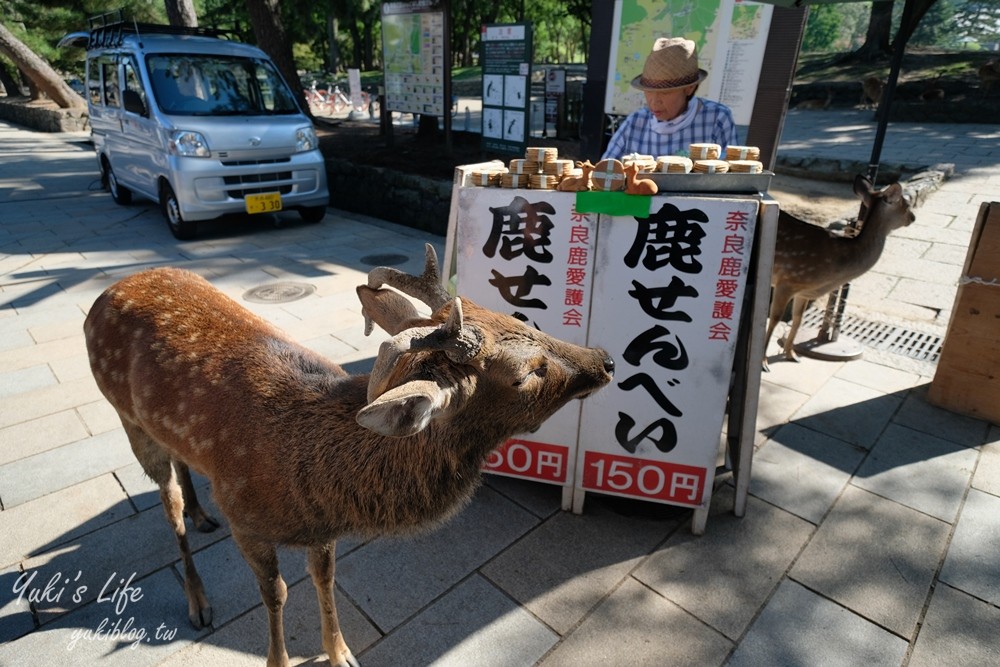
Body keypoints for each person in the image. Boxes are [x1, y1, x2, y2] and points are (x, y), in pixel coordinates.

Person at [602, 37, 738, 160]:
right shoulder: (635, 123)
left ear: (689, 89)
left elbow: (731, 177)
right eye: (648, 91)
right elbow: (604, 173)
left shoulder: (717, 119)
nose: (654, 101)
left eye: (665, 92)